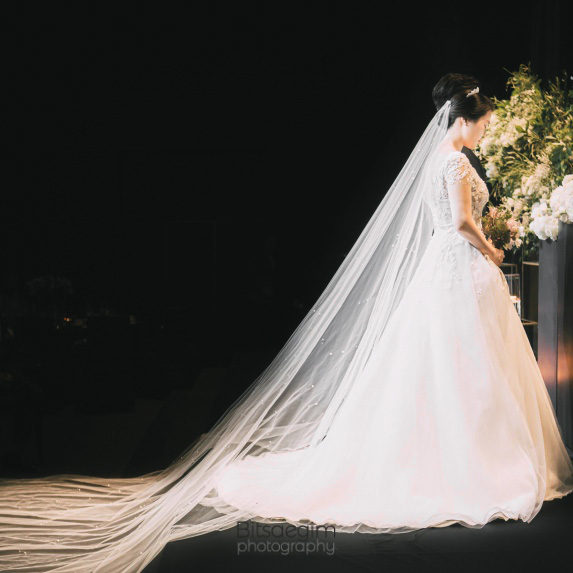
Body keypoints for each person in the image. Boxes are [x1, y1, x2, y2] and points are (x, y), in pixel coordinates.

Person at [1, 83, 572, 573]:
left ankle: (454, 454)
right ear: (465, 119)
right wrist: (493, 249)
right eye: (484, 122)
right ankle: (471, 463)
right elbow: (462, 221)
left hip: (445, 268)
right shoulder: (453, 161)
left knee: (448, 363)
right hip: (460, 263)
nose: (485, 130)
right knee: (463, 363)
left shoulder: (437, 160)